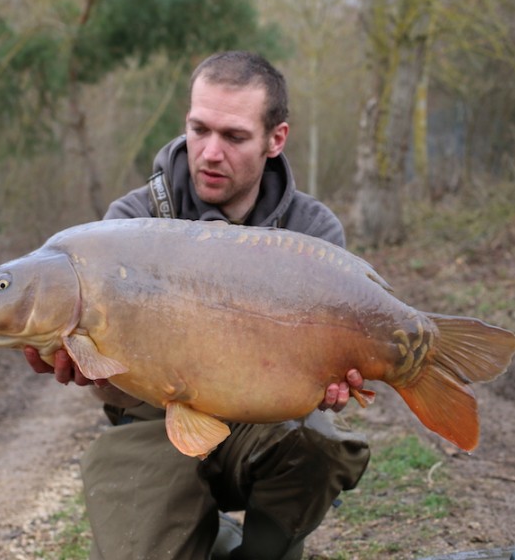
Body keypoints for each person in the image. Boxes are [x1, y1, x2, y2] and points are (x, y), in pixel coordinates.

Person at [24, 51, 371, 560]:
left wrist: (332, 377)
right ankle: (213, 539)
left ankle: (258, 553)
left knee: (317, 442)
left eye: (233, 137)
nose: (209, 152)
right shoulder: (126, 224)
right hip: (153, 425)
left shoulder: (312, 235)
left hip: (261, 426)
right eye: (198, 129)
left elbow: (327, 377)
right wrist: (76, 359)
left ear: (276, 139)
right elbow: (89, 350)